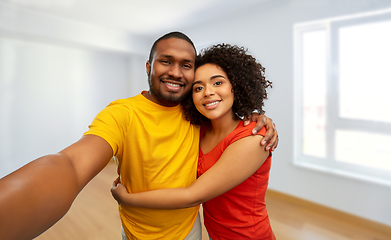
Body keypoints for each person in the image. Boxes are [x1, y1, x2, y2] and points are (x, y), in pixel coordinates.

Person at [0, 32, 278, 240]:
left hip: (192, 231)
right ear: (149, 67)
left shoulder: (208, 119)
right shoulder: (125, 113)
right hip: (134, 231)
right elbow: (71, 165)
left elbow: (196, 191)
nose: (175, 72)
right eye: (165, 62)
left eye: (185, 65)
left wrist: (260, 117)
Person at [111, 43, 276, 239]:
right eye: (198, 87)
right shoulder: (200, 131)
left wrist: (127, 199)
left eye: (217, 83)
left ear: (235, 86)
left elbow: (193, 196)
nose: (208, 92)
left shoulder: (253, 139)